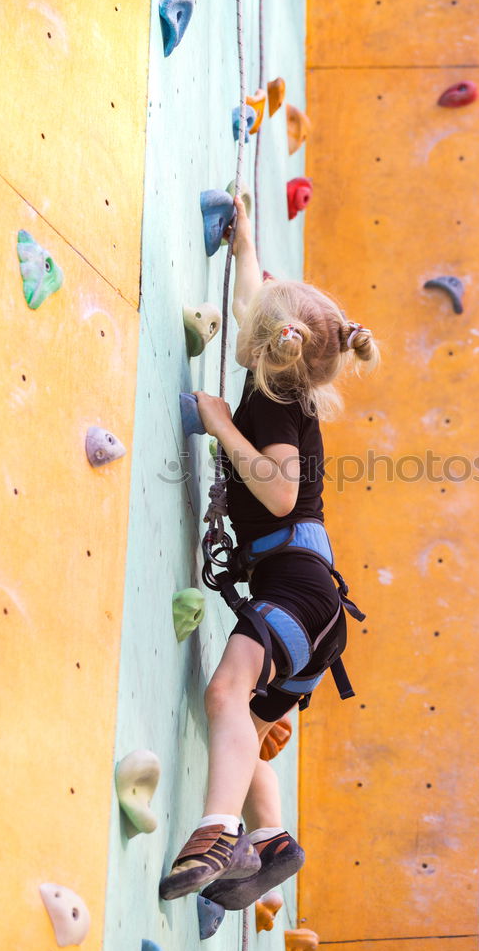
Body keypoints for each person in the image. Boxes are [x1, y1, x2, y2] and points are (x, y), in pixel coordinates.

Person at [159, 197, 379, 907]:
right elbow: (256, 296)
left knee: (225, 691)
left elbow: (281, 496)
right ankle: (271, 839)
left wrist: (221, 425)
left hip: (297, 591)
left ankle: (217, 834)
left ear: (262, 343)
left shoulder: (270, 409)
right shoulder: (286, 384)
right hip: (315, 611)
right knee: (244, 729)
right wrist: (242, 239)